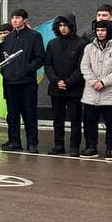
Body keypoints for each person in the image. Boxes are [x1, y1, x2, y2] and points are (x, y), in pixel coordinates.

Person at [0, 9, 46, 152]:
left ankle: (32, 143)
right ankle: (14, 141)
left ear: (24, 20)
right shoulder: (8, 38)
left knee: (29, 113)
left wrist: (26, 69)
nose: (14, 20)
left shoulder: (34, 36)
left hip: (27, 82)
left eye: (17, 18)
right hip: (10, 82)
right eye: (13, 18)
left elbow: (40, 58)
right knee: (12, 114)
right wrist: (6, 72)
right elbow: (2, 59)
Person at [80, 19, 112, 159]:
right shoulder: (89, 48)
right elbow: (84, 67)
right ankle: (91, 147)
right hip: (91, 92)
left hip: (110, 93)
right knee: (90, 122)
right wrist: (94, 81)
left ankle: (111, 148)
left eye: (103, 30)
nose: (100, 33)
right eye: (98, 30)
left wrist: (104, 82)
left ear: (110, 31)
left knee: (111, 123)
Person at [44, 14, 85, 156]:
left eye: (66, 25)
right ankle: (58, 145)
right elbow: (48, 65)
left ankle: (74, 146)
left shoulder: (81, 43)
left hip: (75, 89)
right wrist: (56, 81)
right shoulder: (52, 43)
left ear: (72, 26)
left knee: (75, 119)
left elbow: (81, 67)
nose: (63, 28)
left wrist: (68, 82)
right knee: (58, 119)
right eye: (60, 25)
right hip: (56, 88)